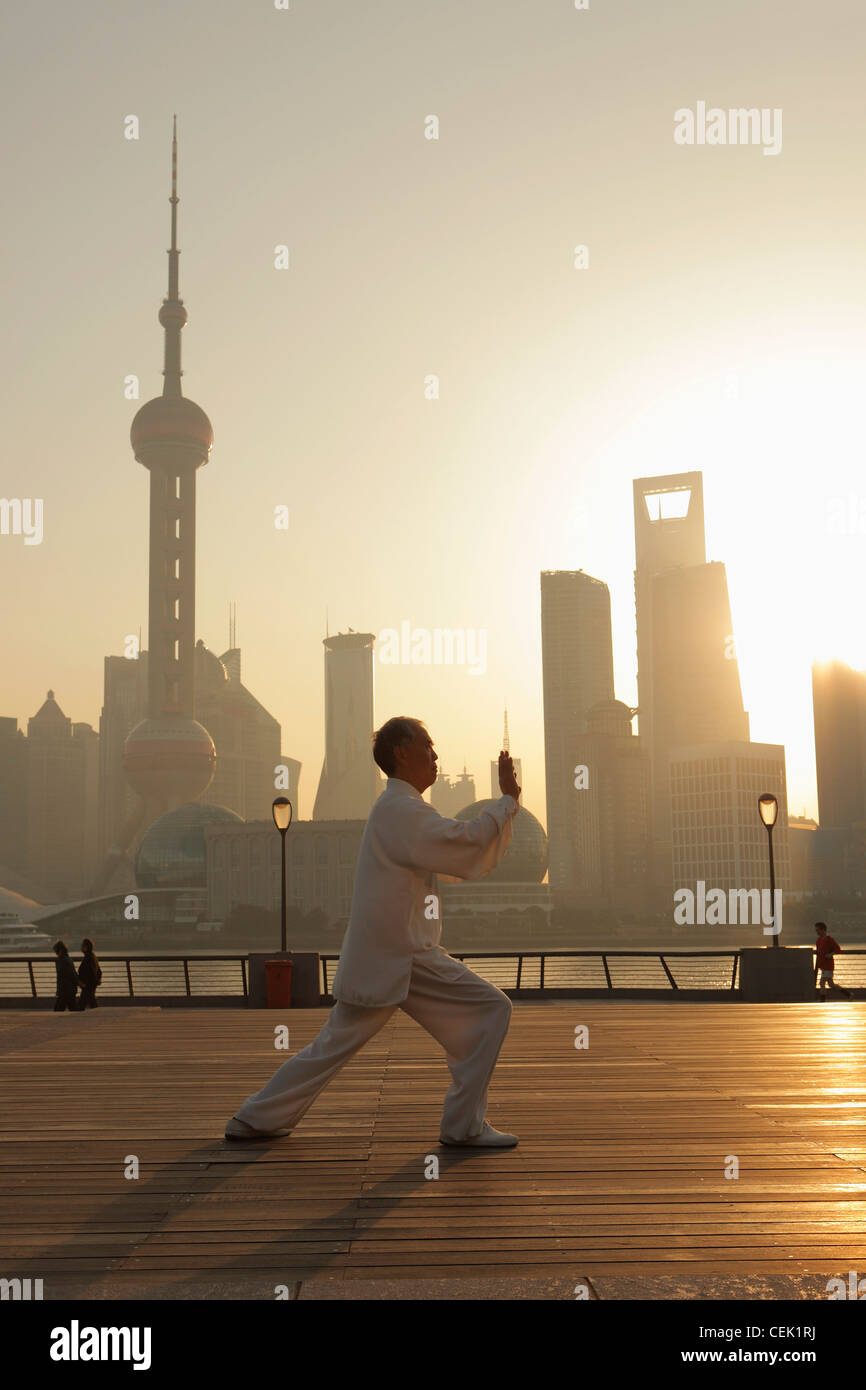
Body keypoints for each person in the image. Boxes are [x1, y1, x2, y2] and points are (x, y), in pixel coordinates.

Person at [225, 716, 522, 1148]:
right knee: (492, 1010)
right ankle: (464, 1126)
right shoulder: (401, 810)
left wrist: (504, 806)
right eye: (428, 745)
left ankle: (253, 1118)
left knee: (330, 1047)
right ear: (402, 752)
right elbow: (466, 841)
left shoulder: (399, 810)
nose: (435, 755)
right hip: (403, 955)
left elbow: (455, 849)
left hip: (388, 956)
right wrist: (507, 801)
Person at [815, 922, 852, 1000]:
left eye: (818, 930)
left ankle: (822, 1001)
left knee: (822, 983)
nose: (816, 932)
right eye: (816, 930)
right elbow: (819, 952)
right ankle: (848, 994)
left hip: (828, 965)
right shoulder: (818, 940)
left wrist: (831, 954)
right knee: (831, 984)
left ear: (823, 930)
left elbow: (838, 949)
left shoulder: (829, 939)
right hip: (823, 966)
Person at [53, 940, 80, 1012]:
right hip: (70, 988)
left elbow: (64, 976)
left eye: (56, 951)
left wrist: (59, 990)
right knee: (72, 1007)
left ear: (60, 951)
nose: (56, 953)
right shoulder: (69, 959)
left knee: (58, 1009)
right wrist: (78, 983)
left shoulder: (62, 961)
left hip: (65, 989)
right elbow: (73, 974)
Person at [77, 938, 102, 1009]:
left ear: (86, 947)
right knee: (91, 1002)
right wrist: (98, 979)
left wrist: (83, 982)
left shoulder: (88, 957)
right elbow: (99, 971)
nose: (81, 947)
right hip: (90, 985)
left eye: (82, 946)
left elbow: (89, 972)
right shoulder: (92, 956)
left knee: (82, 1004)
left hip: (88, 985)